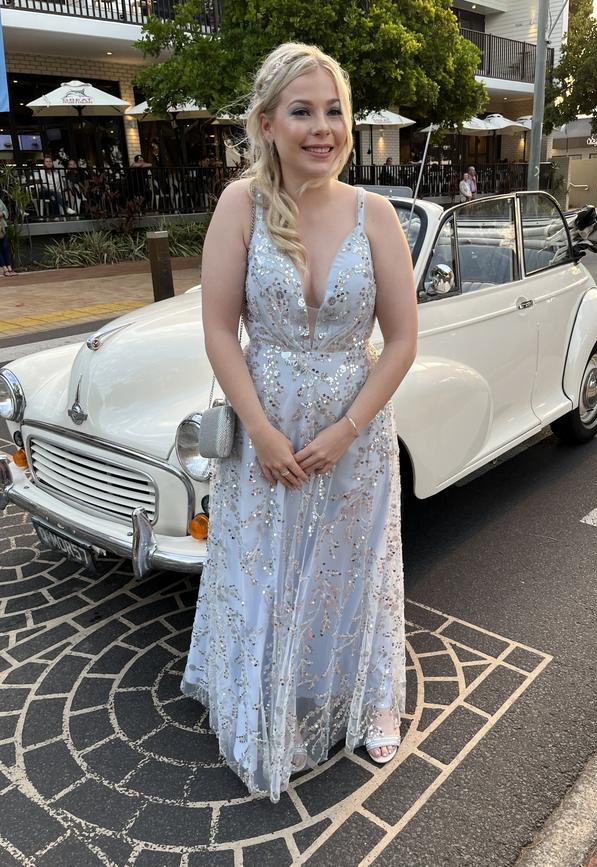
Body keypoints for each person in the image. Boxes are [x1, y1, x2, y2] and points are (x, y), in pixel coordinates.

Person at [181, 42, 417, 802]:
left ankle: (373, 693)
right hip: (267, 431)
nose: (324, 127)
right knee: (270, 567)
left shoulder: (375, 214)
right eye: (303, 111)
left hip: (356, 438)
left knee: (355, 568)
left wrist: (347, 429)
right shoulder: (239, 205)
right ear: (268, 123)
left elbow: (404, 339)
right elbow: (219, 330)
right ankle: (266, 695)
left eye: (334, 110)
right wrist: (262, 432)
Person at [0, 198, 16, 276]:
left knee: (5, 247)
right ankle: (4, 268)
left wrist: (2, 213)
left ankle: (9, 268)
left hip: (2, 226)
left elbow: (5, 211)